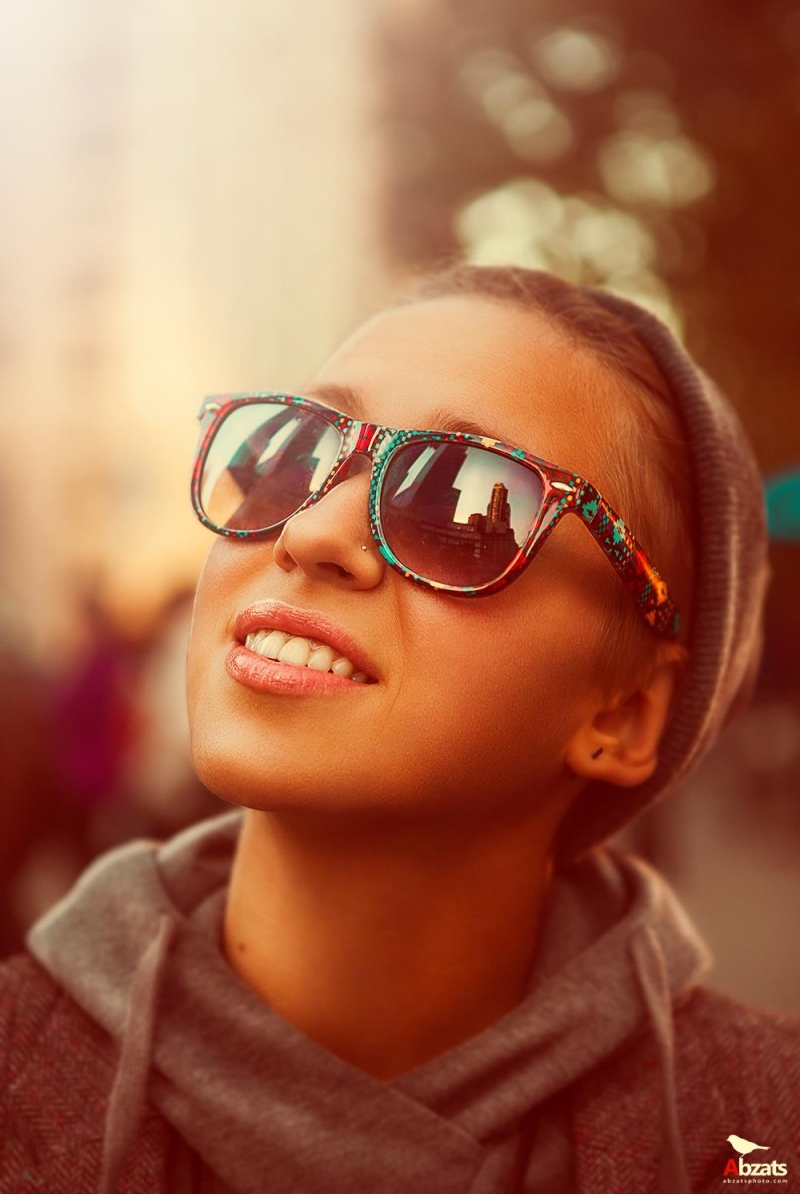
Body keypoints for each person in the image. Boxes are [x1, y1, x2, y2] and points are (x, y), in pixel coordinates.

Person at [2, 265, 798, 1194]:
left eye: (461, 502)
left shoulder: (762, 1134)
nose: (309, 532)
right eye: (292, 453)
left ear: (622, 714)